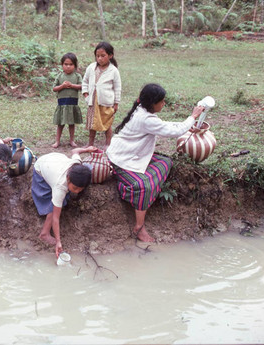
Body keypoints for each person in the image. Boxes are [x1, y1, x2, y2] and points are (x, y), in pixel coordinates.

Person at [106, 83, 204, 243]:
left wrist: (187, 124)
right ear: (153, 103)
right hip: (120, 159)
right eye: (162, 101)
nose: (164, 104)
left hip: (132, 154)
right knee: (145, 186)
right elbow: (173, 131)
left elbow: (166, 125)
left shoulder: (143, 111)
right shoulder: (145, 118)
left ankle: (133, 187)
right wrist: (193, 117)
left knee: (166, 161)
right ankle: (139, 226)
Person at [32, 146, 96, 256]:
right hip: (41, 168)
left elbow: (75, 151)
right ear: (68, 178)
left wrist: (87, 149)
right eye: (75, 188)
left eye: (80, 189)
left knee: (61, 200)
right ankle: (44, 234)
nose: (77, 191)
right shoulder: (60, 187)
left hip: (54, 160)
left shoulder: (77, 164)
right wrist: (58, 242)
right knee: (52, 209)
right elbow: (56, 218)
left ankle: (45, 233)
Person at [82, 41, 121, 148]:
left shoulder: (113, 71)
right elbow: (84, 81)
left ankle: (108, 143)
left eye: (103, 56)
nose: (99, 58)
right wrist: (86, 95)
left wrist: (116, 103)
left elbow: (117, 88)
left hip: (106, 101)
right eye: (97, 56)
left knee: (107, 123)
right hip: (93, 101)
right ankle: (90, 143)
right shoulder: (91, 67)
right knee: (92, 124)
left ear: (110, 55)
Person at [52, 52, 83, 148]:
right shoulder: (60, 76)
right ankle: (57, 141)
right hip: (62, 103)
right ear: (62, 65)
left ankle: (71, 140)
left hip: (72, 103)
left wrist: (72, 85)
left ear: (75, 65)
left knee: (71, 123)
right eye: (66, 64)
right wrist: (62, 86)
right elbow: (54, 88)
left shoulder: (77, 76)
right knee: (60, 124)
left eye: (71, 64)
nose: (68, 66)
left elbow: (81, 86)